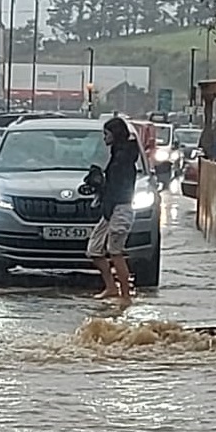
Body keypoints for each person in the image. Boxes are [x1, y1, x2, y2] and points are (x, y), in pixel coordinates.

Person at [85, 117, 139, 304]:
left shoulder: (124, 157)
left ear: (114, 135)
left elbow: (121, 186)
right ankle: (111, 287)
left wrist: (104, 186)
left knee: (115, 251)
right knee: (94, 250)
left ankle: (125, 295)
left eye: (106, 134)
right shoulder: (117, 154)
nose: (104, 138)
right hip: (109, 209)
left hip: (121, 208)